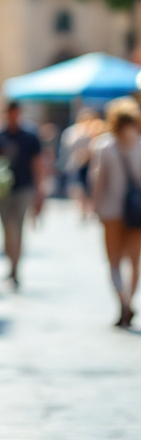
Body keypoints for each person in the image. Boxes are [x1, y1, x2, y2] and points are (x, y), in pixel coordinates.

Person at [89, 97, 141, 328]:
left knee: (114, 261)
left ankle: (122, 301)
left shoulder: (104, 146)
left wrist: (94, 206)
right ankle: (129, 300)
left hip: (111, 211)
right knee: (134, 261)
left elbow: (97, 181)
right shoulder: (139, 145)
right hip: (137, 211)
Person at [0, 101, 46, 288]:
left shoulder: (30, 136)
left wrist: (40, 192)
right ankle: (10, 263)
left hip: (23, 188)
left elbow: (37, 165)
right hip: (3, 190)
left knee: (18, 228)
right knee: (6, 229)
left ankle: (15, 268)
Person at [61, 108, 101, 218]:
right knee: (77, 187)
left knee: (86, 186)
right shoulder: (72, 132)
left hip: (88, 164)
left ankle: (87, 207)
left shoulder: (94, 130)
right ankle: (83, 208)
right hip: (76, 164)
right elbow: (68, 147)